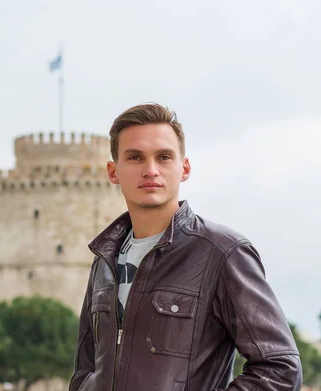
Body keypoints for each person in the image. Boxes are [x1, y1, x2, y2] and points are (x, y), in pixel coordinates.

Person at [68, 103, 302, 391]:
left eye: (164, 157)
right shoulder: (105, 259)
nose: (150, 170)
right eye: (135, 157)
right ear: (113, 171)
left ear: (184, 168)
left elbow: (280, 369)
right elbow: (86, 369)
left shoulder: (223, 253)